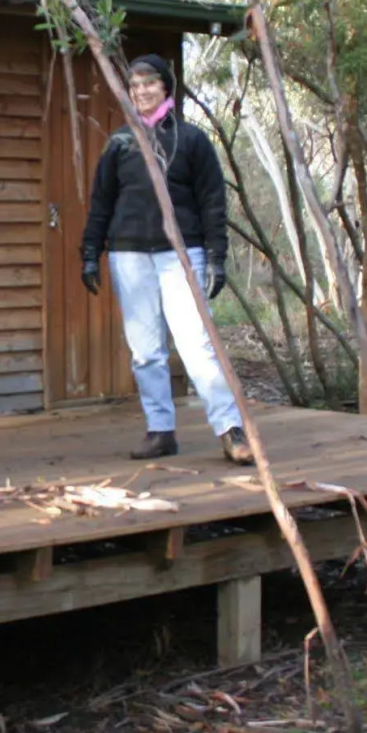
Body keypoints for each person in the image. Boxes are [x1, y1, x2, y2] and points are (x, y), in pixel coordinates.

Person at [79, 54, 253, 465]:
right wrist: (90, 252)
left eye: (149, 84)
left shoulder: (192, 141)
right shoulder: (120, 142)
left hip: (181, 254)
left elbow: (213, 203)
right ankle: (160, 432)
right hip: (129, 254)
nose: (141, 91)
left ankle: (230, 430)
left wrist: (216, 257)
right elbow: (101, 203)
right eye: (135, 85)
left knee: (197, 344)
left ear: (166, 88)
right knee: (145, 350)